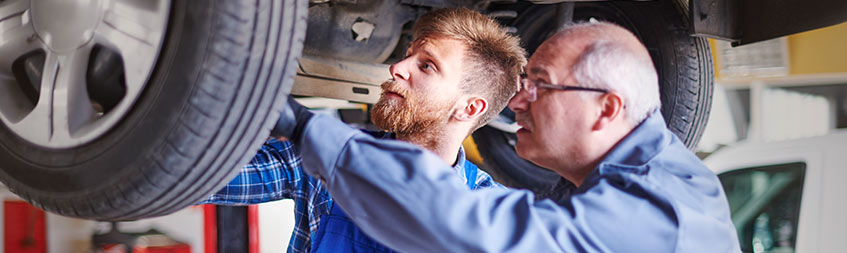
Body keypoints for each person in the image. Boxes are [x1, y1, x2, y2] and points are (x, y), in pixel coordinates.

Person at [278, 22, 741, 252]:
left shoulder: (658, 213)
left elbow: (471, 227)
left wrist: (302, 125)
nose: (518, 102)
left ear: (607, 108)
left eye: (541, 85)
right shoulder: (634, 182)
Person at [201, 8, 527, 253]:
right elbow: (196, 175)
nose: (397, 68)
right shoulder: (327, 154)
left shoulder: (493, 216)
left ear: (469, 108)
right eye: (407, 55)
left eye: (426, 65)